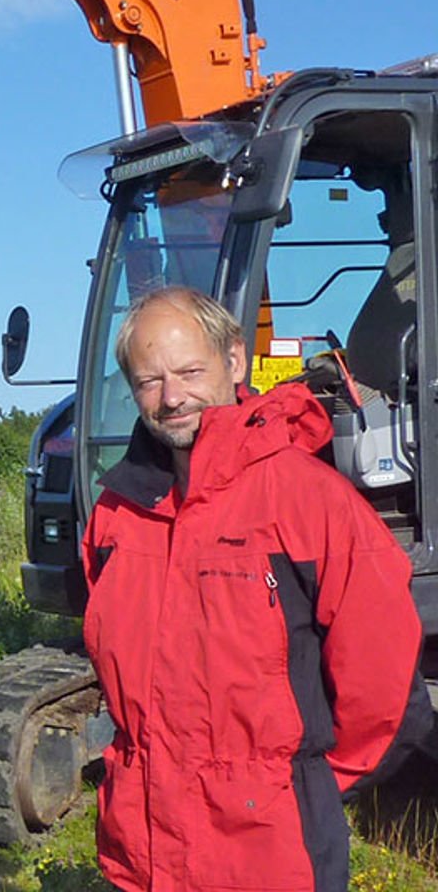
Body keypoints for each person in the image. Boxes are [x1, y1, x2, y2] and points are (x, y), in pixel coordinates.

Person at [81, 287, 432, 892]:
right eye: (149, 380)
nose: (171, 397)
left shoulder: (306, 500)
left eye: (190, 371)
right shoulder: (117, 514)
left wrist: (298, 786)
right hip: (142, 854)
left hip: (272, 856)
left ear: (235, 362)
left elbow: (386, 687)